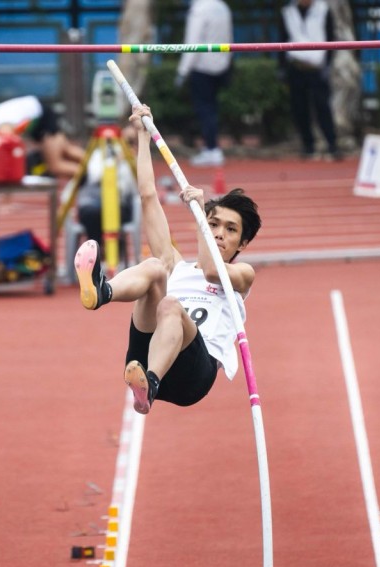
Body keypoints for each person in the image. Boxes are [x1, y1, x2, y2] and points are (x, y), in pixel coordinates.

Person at [73, 103, 261, 415]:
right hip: (147, 352)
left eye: (229, 230)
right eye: (213, 225)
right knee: (156, 267)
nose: (218, 234)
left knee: (170, 305)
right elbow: (148, 197)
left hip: (193, 375)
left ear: (243, 242)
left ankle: (150, 382)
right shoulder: (180, 266)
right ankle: (101, 292)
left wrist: (202, 214)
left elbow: (213, 270)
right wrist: (142, 137)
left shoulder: (242, 274)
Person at [280, 0, 340, 160]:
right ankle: (308, 146)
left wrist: (327, 64)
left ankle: (332, 145)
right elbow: (282, 39)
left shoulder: (323, 9)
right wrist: (282, 69)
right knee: (299, 108)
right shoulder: (288, 11)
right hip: (296, 66)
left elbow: (330, 37)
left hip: (317, 66)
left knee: (323, 107)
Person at [176, 0, 233, 167]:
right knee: (211, 109)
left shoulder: (199, 9)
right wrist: (226, 61)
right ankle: (212, 147)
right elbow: (229, 37)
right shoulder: (223, 6)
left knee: (205, 109)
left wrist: (182, 71)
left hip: (202, 67)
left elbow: (192, 43)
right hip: (221, 65)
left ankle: (212, 149)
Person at [0, 95, 84, 179]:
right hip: (35, 111)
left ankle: (92, 175)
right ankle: (94, 165)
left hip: (41, 115)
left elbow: (12, 146)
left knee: (55, 165)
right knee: (66, 150)